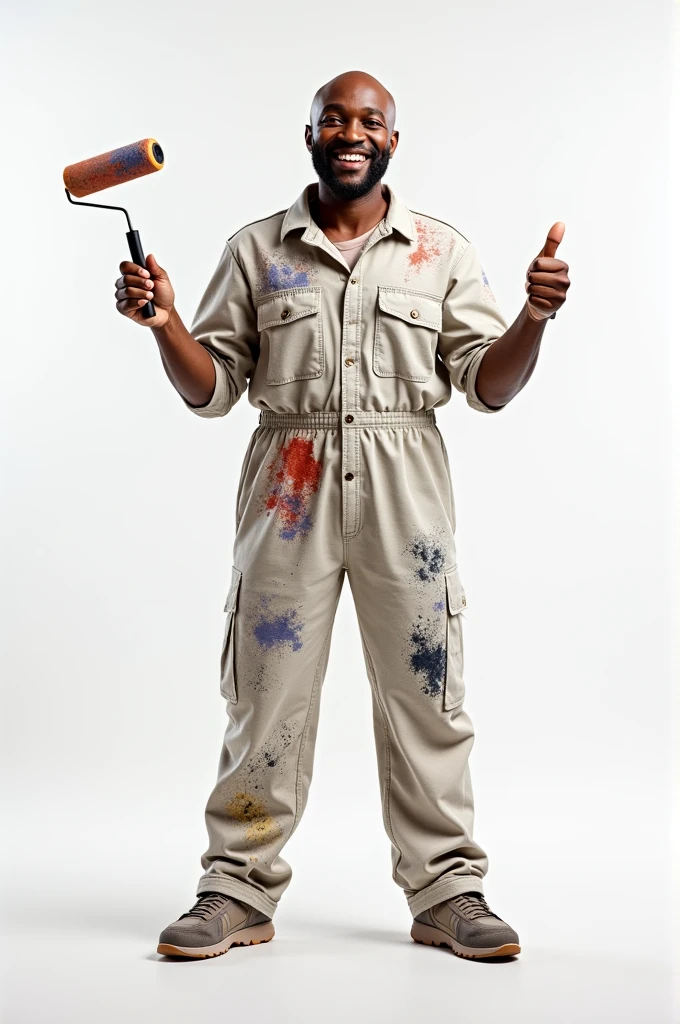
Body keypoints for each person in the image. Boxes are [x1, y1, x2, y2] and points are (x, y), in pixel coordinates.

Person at [115, 70, 570, 961]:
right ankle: (236, 888)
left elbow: (488, 385)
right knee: (264, 697)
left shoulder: (439, 252)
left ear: (393, 141)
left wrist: (534, 316)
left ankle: (449, 890)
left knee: (428, 697)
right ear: (312, 134)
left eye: (371, 120)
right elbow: (211, 392)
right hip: (288, 493)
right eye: (335, 118)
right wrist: (166, 322)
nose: (352, 131)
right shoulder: (257, 252)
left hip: (408, 500)